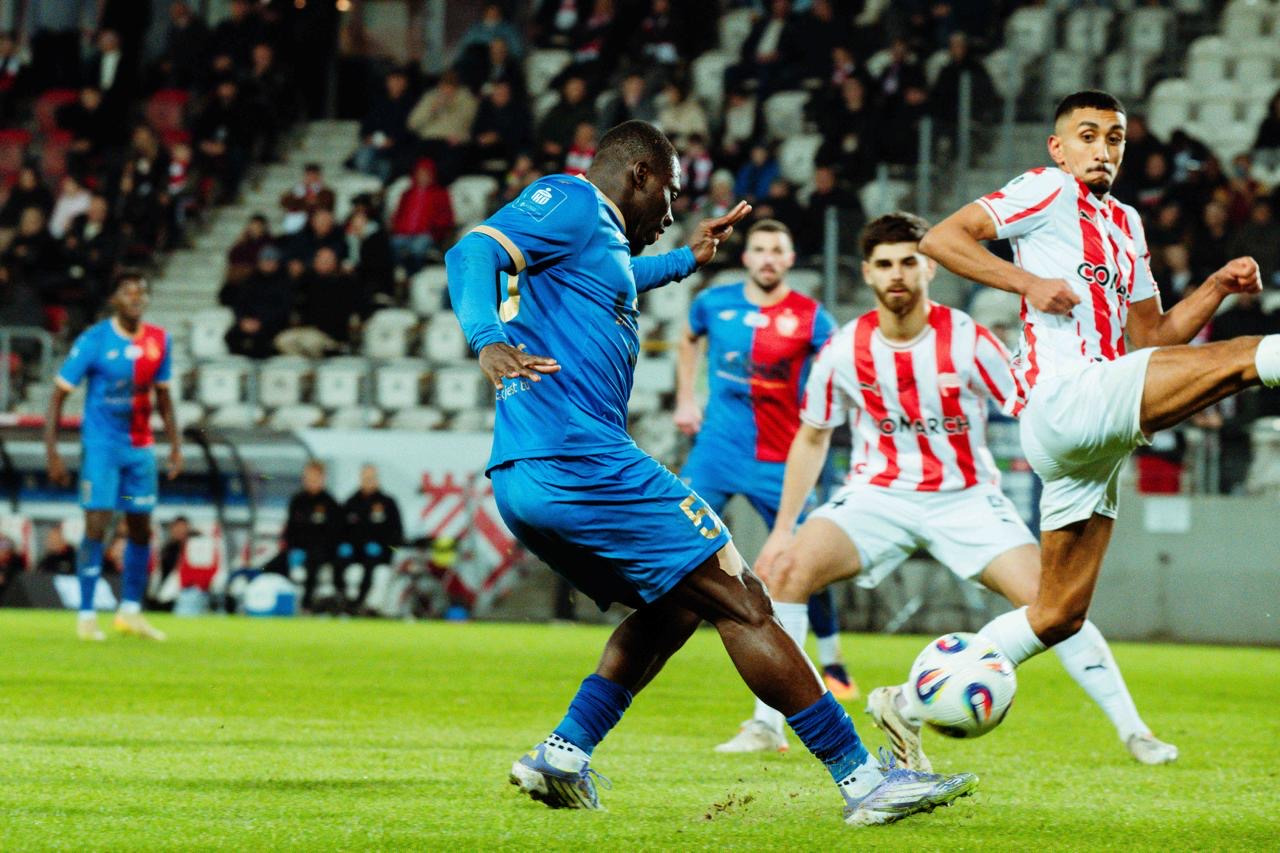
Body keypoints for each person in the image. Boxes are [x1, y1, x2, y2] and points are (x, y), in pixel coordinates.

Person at [445, 119, 976, 825]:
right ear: (638, 174)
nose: (669, 215)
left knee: (676, 604)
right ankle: (865, 781)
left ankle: (563, 754)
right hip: (582, 459)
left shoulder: (592, 244)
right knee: (744, 596)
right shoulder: (570, 201)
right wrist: (486, 338)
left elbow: (616, 279)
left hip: (526, 474)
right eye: (668, 196)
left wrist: (688, 258)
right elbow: (472, 250)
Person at [752, 212, 1177, 768]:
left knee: (1055, 603)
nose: (897, 273)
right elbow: (812, 436)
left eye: (909, 261)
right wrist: (783, 530)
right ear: (868, 273)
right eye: (885, 264)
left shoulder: (968, 340)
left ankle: (1135, 732)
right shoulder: (843, 348)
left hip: (966, 497)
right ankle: (765, 726)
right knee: (785, 571)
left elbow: (1030, 406)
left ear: (929, 266)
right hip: (877, 494)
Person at [916, 90, 1269, 754]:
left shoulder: (1127, 223)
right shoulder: (1046, 189)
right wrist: (1027, 284)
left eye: (1114, 138)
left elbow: (1153, 338)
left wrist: (1216, 287)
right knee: (1251, 357)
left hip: (1094, 429)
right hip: (1065, 399)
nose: (1103, 149)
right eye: (1087, 136)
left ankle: (908, 703)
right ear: (1059, 147)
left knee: (1057, 614)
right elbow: (941, 238)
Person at [672, 219, 858, 753]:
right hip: (717, 449)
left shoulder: (811, 317)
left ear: (790, 258)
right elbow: (688, 339)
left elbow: (838, 369)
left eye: (778, 249)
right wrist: (687, 397)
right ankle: (663, 632)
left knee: (803, 561)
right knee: (676, 537)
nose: (769, 257)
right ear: (747, 257)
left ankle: (830, 660)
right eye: (760, 249)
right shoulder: (713, 303)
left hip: (782, 459)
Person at [45, 271, 182, 641]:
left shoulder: (160, 340)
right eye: (128, 291)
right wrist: (53, 453)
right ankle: (87, 615)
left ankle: (130, 612)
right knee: (97, 525)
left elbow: (164, 397)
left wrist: (175, 445)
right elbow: (57, 396)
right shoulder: (94, 340)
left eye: (141, 291)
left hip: (140, 450)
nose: (136, 297)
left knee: (140, 526)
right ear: (114, 300)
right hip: (102, 448)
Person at [338, 465, 403, 615]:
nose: (368, 481)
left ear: (377, 480)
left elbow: (397, 534)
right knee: (339, 563)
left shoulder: (388, 503)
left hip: (379, 554)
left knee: (371, 562)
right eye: (365, 478)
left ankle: (363, 604)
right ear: (360, 479)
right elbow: (341, 531)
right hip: (355, 552)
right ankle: (341, 601)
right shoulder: (351, 502)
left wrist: (388, 549)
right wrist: (344, 544)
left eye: (371, 478)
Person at [282, 460, 342, 613]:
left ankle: (306, 606)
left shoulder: (330, 503)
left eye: (315, 478)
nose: (311, 481)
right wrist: (291, 548)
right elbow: (290, 529)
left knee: (313, 563)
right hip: (297, 549)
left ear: (322, 478)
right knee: (272, 565)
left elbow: (334, 534)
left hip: (321, 551)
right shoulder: (297, 501)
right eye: (308, 477)